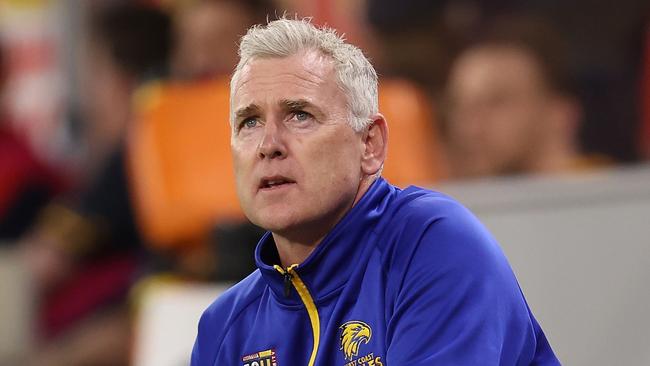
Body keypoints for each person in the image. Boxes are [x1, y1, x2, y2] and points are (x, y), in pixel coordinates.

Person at [192, 18, 559, 365]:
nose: (268, 144)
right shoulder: (224, 327)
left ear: (370, 144)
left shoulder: (434, 245)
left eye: (299, 114)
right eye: (249, 122)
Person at [442, 16, 605, 179]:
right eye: (458, 106)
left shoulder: (611, 193)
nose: (469, 128)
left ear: (560, 113)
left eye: (496, 102)